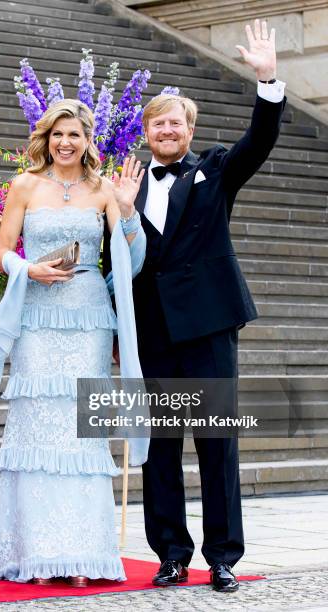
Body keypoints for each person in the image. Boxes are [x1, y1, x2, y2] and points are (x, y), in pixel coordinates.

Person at [0, 99, 146, 586]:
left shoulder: (105, 189)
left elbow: (130, 263)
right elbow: (1, 248)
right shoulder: (25, 184)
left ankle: (84, 555)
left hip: (89, 317)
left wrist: (128, 214)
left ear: (89, 140)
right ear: (46, 138)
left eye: (74, 134)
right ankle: (41, 554)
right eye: (57, 134)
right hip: (38, 316)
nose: (65, 143)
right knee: (38, 426)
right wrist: (28, 269)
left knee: (80, 431)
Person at [104, 19, 286, 592]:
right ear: (146, 129)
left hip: (207, 325)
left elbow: (259, 140)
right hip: (151, 329)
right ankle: (171, 554)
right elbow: (114, 257)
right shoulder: (125, 180)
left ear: (189, 130)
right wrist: (122, 213)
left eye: (174, 122)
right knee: (160, 448)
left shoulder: (214, 168)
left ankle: (223, 556)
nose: (165, 129)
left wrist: (268, 79)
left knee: (216, 443)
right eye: (157, 122)